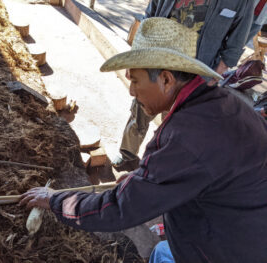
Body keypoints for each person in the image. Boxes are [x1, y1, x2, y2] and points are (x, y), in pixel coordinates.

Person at [19, 18, 267, 263]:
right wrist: (148, 180)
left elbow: (119, 209)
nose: (131, 91)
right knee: (162, 253)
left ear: (166, 79)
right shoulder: (223, 101)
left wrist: (54, 200)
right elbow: (204, 172)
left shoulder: (186, 137)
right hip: (245, 226)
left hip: (228, 249)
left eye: (135, 80)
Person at [113, 0, 255, 169]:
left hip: (194, 75)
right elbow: (148, 19)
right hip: (154, 63)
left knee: (174, 127)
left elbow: (235, 45)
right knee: (140, 112)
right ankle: (127, 155)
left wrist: (212, 78)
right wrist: (135, 58)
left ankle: (155, 168)